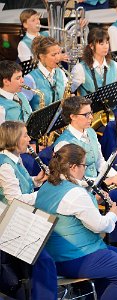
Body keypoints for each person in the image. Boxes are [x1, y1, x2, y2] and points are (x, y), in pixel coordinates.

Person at [35, 143, 117, 299]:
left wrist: (92, 198)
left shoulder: (47, 186)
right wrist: (113, 213)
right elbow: (100, 226)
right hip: (74, 257)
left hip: (52, 256)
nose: (85, 169)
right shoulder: (76, 193)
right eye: (84, 165)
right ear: (73, 167)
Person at [54, 96, 117, 249]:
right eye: (87, 114)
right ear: (73, 117)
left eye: (91, 113)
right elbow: (70, 179)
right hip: (78, 189)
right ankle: (115, 242)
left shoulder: (90, 132)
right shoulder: (64, 143)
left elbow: (100, 162)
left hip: (96, 183)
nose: (91, 117)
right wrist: (103, 183)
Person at [0, 121, 56, 300]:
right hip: (10, 223)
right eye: (25, 135)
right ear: (14, 139)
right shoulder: (5, 165)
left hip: (22, 216)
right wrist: (43, 194)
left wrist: (37, 180)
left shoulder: (16, 158)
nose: (29, 139)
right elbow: (14, 200)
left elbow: (22, 182)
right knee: (44, 260)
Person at [71, 27, 117, 96]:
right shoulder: (80, 69)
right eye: (101, 44)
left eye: (107, 43)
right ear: (91, 46)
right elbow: (69, 91)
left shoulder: (115, 66)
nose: (106, 47)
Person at [22, 36, 67, 111]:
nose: (58, 58)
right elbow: (23, 107)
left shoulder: (61, 73)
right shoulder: (30, 79)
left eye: (58, 53)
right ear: (42, 56)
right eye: (53, 55)